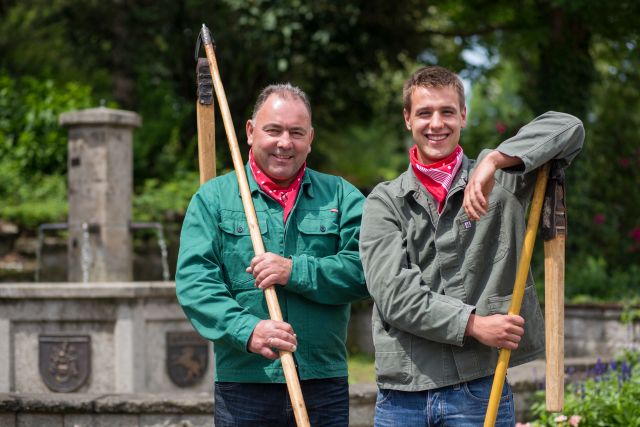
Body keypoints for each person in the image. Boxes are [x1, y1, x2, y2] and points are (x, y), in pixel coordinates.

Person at [359, 66, 584, 426]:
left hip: (479, 388)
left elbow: (569, 126)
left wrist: (494, 159)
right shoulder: (385, 201)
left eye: (447, 111)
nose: (437, 123)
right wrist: (473, 324)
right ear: (407, 119)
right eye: (424, 113)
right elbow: (394, 296)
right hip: (403, 394)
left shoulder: (504, 183)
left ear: (463, 115)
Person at [175, 83, 368, 426]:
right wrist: (247, 330)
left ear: (311, 138)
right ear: (250, 132)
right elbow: (195, 283)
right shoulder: (214, 199)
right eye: (273, 130)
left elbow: (366, 273)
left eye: (296, 132)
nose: (284, 143)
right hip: (244, 384)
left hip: (321, 383)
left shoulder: (342, 197)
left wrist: (296, 271)